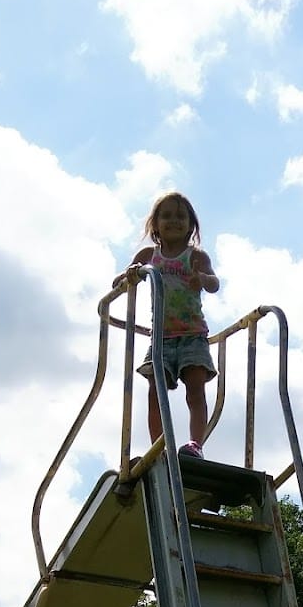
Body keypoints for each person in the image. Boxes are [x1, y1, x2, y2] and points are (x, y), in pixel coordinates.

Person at [115, 192, 219, 458]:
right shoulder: (150, 254)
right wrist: (129, 275)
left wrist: (202, 279)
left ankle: (195, 444)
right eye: (167, 215)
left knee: (195, 390)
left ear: (191, 225)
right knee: (154, 394)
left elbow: (214, 283)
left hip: (192, 335)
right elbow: (123, 281)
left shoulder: (195, 257)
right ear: (156, 224)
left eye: (181, 216)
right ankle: (159, 447)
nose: (174, 220)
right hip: (161, 338)